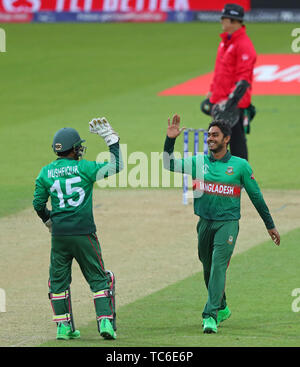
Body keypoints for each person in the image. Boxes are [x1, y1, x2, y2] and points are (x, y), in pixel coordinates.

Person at [163, 114, 280, 334]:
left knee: (218, 266)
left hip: (227, 224)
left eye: (215, 135)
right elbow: (168, 164)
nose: (210, 139)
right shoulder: (198, 162)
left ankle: (210, 316)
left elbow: (257, 197)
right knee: (207, 268)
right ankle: (222, 306)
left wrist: (270, 225)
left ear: (226, 139)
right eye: (209, 135)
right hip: (205, 223)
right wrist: (170, 140)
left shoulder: (240, 166)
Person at [33, 117, 123, 340]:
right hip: (84, 233)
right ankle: (105, 324)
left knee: (58, 281)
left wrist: (48, 220)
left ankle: (63, 328)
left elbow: (37, 203)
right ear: (74, 149)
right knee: (100, 279)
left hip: (60, 235)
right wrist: (112, 141)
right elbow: (116, 166)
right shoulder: (85, 167)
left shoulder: (45, 172)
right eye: (78, 146)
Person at [200, 3, 257, 161]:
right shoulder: (225, 42)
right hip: (221, 102)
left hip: (234, 105)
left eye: (224, 19)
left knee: (236, 146)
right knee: (218, 145)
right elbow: (220, 72)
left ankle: (242, 181)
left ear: (233, 21)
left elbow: (244, 79)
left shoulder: (244, 45)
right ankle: (221, 182)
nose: (221, 22)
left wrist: (230, 102)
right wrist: (212, 93)